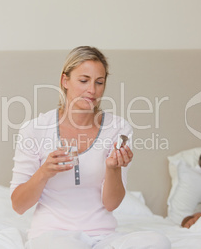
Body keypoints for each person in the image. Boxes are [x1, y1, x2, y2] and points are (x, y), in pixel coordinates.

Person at [10, 46, 170, 249]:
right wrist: (43, 173)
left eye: (99, 82)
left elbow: (111, 204)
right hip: (52, 237)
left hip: (102, 237)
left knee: (157, 242)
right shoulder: (34, 129)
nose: (92, 90)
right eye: (84, 81)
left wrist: (113, 168)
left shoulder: (118, 129)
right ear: (65, 81)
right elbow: (18, 205)